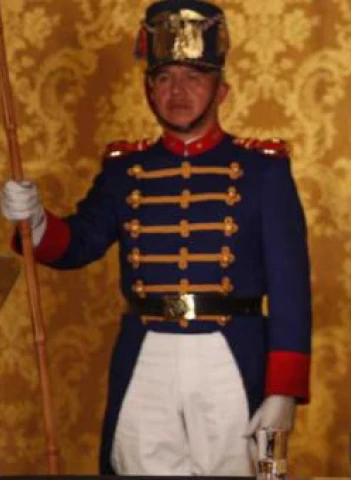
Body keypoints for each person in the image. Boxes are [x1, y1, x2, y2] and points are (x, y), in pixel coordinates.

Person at [0, 0, 311, 475]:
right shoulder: (126, 169)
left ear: (222, 89)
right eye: (164, 77)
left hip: (231, 352)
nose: (178, 91)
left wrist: (283, 389)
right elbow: (79, 243)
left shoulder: (263, 170)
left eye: (193, 76)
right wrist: (34, 219)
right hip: (147, 352)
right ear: (148, 89)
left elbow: (291, 291)